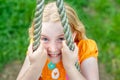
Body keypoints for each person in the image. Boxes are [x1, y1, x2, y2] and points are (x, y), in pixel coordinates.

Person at [17, 2, 99, 80]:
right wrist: (35, 67)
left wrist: (70, 67)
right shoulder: (38, 49)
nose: (53, 49)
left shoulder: (85, 49)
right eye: (45, 39)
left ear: (73, 35)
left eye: (61, 38)